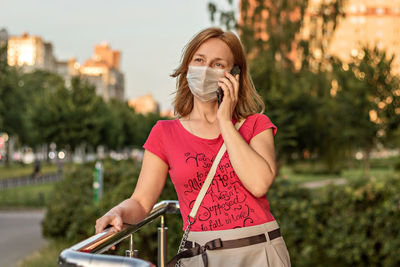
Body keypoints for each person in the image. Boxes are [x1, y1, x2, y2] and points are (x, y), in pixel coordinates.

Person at [95, 27, 291, 267]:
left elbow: (259, 184)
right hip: (203, 257)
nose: (206, 69)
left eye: (218, 64)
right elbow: (141, 201)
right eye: (199, 60)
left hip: (261, 252)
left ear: (235, 74)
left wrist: (225, 122)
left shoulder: (256, 125)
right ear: (187, 66)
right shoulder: (164, 132)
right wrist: (118, 212)